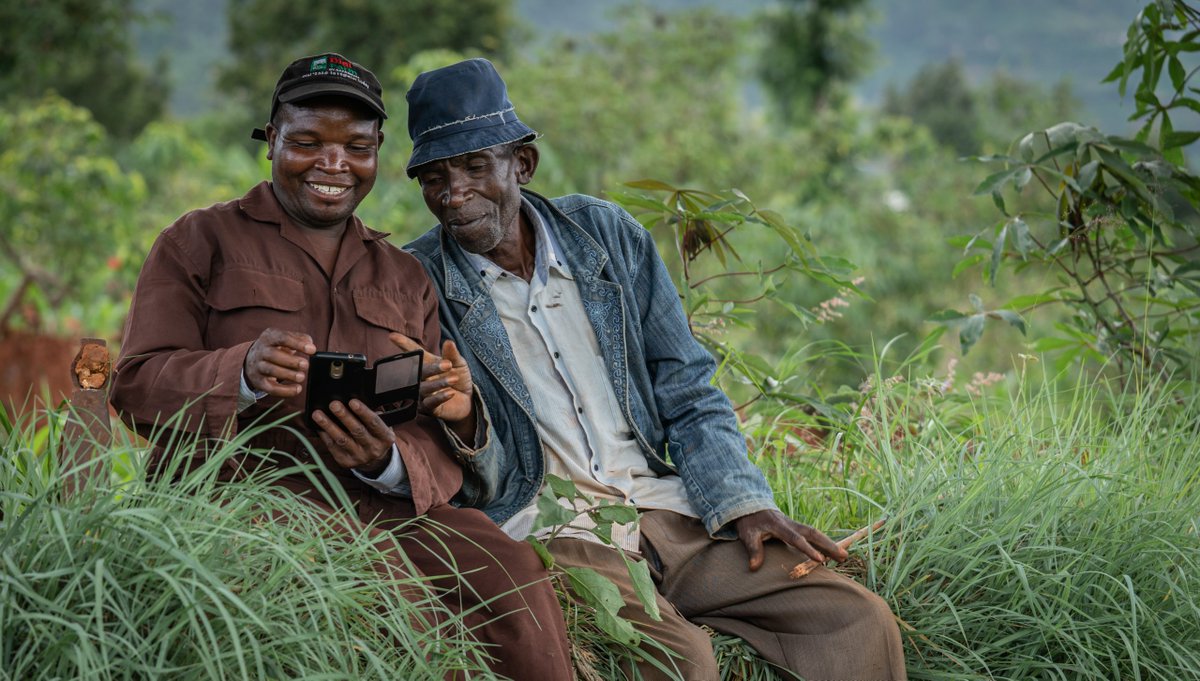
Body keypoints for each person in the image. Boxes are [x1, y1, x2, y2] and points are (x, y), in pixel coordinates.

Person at [401, 57, 908, 681]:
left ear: (522, 165)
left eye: (475, 167)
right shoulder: (421, 282)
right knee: (682, 660)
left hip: (667, 508)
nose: (454, 195)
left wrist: (742, 502)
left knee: (853, 619)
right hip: (558, 525)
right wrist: (465, 421)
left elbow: (687, 385)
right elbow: (460, 467)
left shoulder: (605, 235)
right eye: (433, 178)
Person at [110, 53, 572, 680]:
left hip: (373, 504)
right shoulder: (199, 241)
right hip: (237, 502)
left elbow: (434, 436)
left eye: (357, 147)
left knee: (514, 575)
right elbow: (134, 383)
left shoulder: (404, 276)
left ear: (377, 151)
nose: (333, 165)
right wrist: (240, 370)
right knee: (397, 607)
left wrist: (390, 460)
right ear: (271, 140)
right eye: (306, 142)